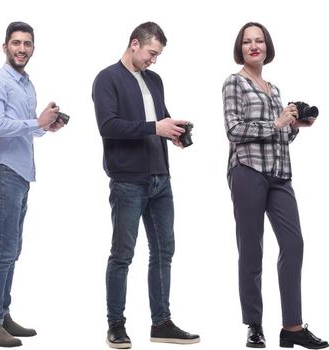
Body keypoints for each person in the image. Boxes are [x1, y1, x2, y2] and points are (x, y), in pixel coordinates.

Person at [92, 21, 199, 349]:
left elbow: (159, 119)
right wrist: (155, 127)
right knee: (122, 254)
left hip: (161, 179)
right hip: (128, 181)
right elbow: (108, 126)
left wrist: (176, 132)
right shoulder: (107, 78)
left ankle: (161, 322)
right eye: (152, 53)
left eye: (158, 55)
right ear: (135, 44)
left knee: (164, 251)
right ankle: (116, 324)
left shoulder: (155, 80)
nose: (154, 60)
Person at [224, 22, 329, 349]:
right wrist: (277, 122)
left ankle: (292, 327)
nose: (253, 46)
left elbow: (280, 133)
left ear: (267, 47)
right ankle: (254, 325)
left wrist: (296, 125)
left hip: (280, 174)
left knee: (294, 244)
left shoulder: (274, 89)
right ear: (240, 48)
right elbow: (234, 130)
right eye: (247, 42)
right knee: (252, 248)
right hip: (248, 170)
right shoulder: (234, 83)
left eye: (259, 41)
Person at [0, 21, 66, 348]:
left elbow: (27, 128)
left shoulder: (27, 84)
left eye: (27, 44)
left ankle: (2, 314)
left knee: (12, 249)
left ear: (32, 48)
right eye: (16, 43)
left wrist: (46, 126)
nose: (21, 49)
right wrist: (35, 122)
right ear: (5, 47)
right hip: (2, 170)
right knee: (2, 249)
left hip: (20, 172)